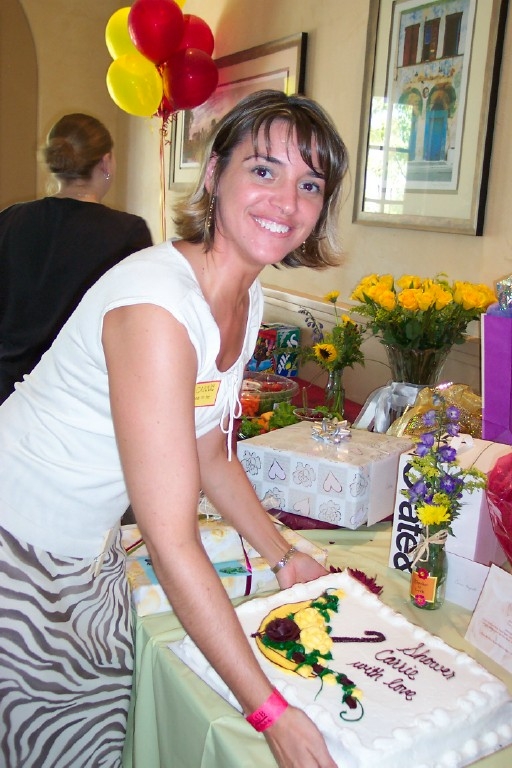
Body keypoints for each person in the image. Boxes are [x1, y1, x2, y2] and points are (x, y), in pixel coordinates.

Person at [0, 90, 348, 768]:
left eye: (310, 183)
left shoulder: (244, 298)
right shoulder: (158, 303)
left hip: (86, 546)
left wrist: (284, 555)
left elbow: (211, 455)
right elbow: (171, 538)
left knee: (103, 729)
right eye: (264, 170)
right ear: (216, 175)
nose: (286, 199)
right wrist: (270, 712)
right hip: (16, 543)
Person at [0, 112, 153, 404]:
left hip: (9, 394)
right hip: (80, 399)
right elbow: (135, 330)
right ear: (106, 162)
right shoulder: (127, 232)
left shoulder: (9, 220)